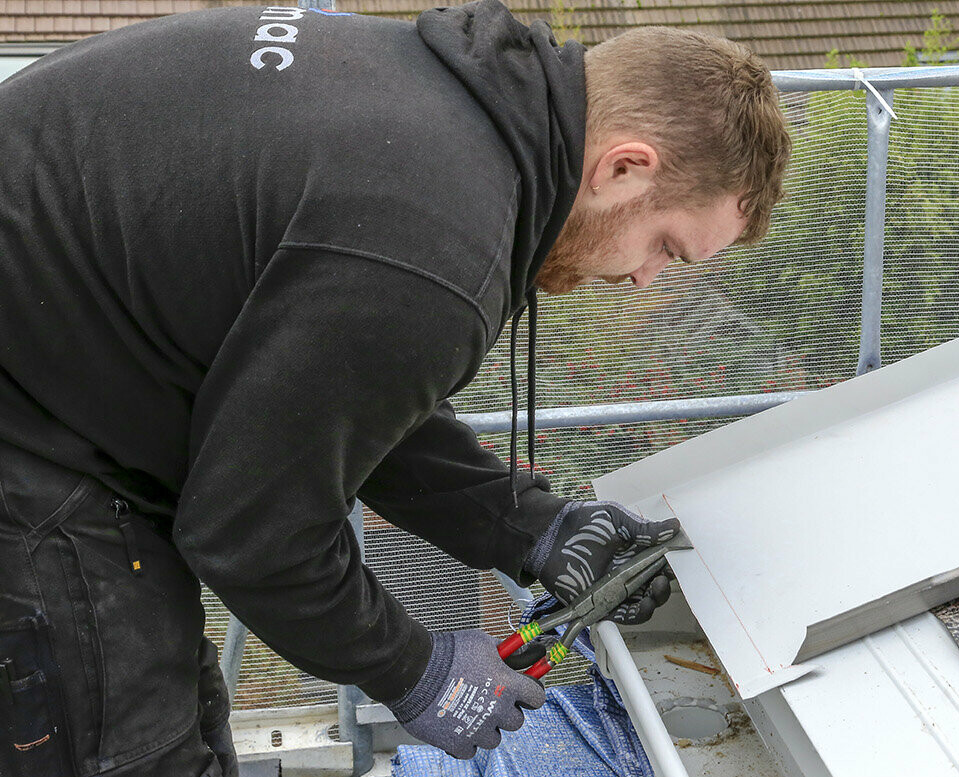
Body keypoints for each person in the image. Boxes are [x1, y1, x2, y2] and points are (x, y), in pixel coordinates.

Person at [0, 1, 790, 773]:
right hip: (33, 444)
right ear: (624, 167)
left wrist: (527, 526)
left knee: (174, 719)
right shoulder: (431, 240)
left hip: (61, 377)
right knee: (125, 747)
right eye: (666, 248)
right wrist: (415, 669)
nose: (642, 278)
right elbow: (252, 532)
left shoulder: (459, 114)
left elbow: (339, 394)